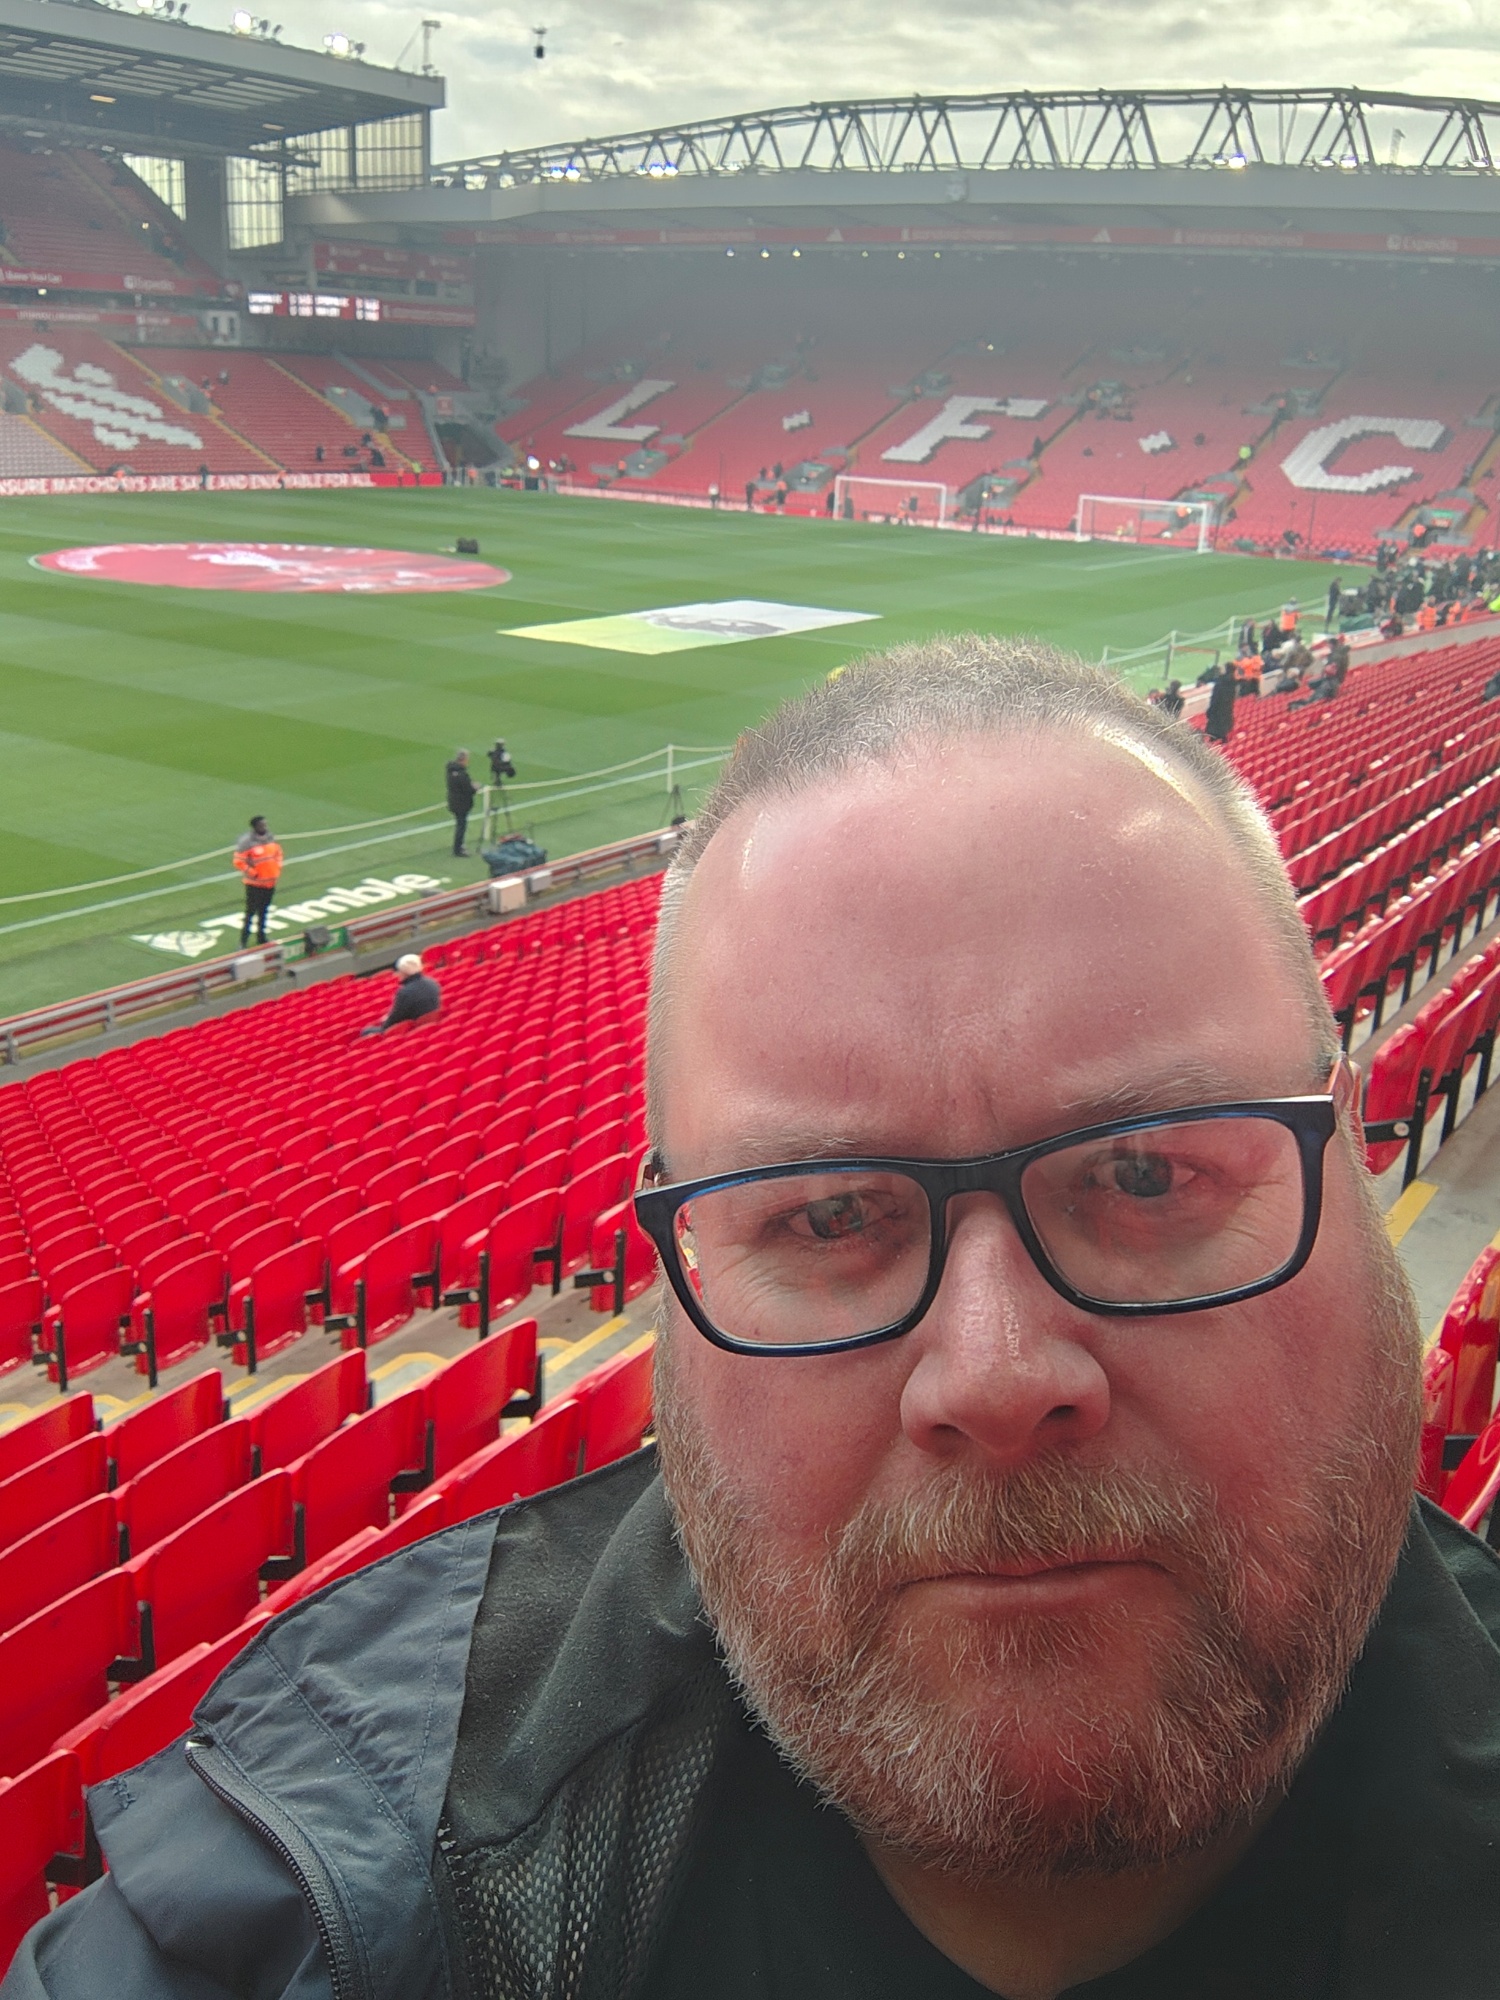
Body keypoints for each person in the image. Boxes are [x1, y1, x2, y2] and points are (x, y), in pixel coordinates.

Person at [24, 635, 1499, 2000]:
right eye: (830, 1214)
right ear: (670, 1273)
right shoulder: (310, 1893)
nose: (995, 1373)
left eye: (1146, 1172)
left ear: (1353, 1157)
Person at [359, 952, 440, 1036]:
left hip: (411, 1030)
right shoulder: (432, 983)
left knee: (366, 1032)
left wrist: (385, 1023)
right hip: (430, 1027)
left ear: (405, 972)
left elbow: (395, 1019)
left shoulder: (405, 993)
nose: (396, 974)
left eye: (398, 971)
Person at [231, 815, 282, 946]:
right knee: (250, 912)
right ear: (254, 827)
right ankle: (243, 941)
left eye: (265, 824)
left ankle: (261, 937)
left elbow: (278, 853)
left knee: (264, 911)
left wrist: (277, 867)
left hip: (270, 882)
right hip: (254, 884)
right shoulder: (246, 842)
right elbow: (238, 861)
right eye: (261, 825)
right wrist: (253, 873)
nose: (265, 827)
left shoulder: (270, 837)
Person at [445, 748, 476, 857]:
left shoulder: (450, 771)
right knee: (461, 826)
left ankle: (459, 846)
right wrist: (475, 787)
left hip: (453, 801)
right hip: (462, 803)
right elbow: (468, 790)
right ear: (464, 759)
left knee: (460, 824)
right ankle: (458, 849)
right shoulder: (462, 774)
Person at [1204, 659, 1237, 742]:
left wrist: (1210, 711)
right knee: (1223, 736)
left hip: (1217, 716)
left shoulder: (1221, 683)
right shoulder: (1233, 682)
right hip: (1226, 713)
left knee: (1214, 738)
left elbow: (1215, 700)